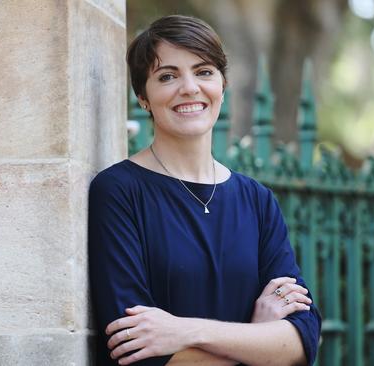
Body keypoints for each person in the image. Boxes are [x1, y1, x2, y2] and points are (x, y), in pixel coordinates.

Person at [88, 15, 321, 366]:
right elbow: (135, 352)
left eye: (204, 71)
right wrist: (257, 339)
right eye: (167, 76)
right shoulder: (118, 191)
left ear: (222, 86)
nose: (190, 88)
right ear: (143, 98)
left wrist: (186, 332)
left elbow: (303, 340)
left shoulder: (257, 200)